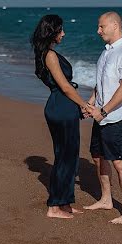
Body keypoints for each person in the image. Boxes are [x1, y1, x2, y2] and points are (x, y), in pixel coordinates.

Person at [31, 14, 94, 219]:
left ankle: (65, 202)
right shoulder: (49, 55)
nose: (64, 34)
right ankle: (54, 206)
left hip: (62, 106)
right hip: (61, 106)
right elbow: (65, 87)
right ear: (52, 32)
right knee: (64, 157)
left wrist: (78, 106)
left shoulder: (46, 54)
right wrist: (85, 105)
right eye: (61, 30)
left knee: (70, 155)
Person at [83, 11, 122, 224]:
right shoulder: (106, 52)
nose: (98, 31)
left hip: (117, 117)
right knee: (98, 156)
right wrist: (90, 103)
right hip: (101, 115)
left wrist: (104, 110)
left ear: (115, 26)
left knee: (119, 162)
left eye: (101, 27)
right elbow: (102, 83)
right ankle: (106, 199)